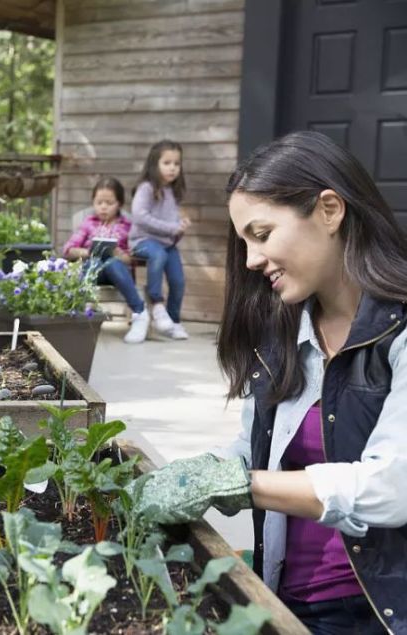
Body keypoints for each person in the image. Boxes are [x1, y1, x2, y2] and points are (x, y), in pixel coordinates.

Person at [134, 131, 407, 634]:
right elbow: (257, 448)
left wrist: (240, 484)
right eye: (244, 242)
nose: (251, 260)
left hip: (374, 614)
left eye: (261, 233)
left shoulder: (400, 334)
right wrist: (205, 471)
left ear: (329, 210)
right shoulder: (283, 329)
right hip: (279, 598)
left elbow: (392, 487)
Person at [62, 176, 148, 343]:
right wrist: (88, 252)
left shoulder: (127, 226)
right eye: (99, 202)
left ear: (119, 204)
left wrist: (118, 254)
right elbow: (68, 250)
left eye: (109, 203)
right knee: (95, 262)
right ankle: (74, 314)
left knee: (112, 263)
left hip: (118, 273)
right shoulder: (88, 223)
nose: (103, 207)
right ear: (93, 202)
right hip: (93, 271)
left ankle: (140, 314)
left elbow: (135, 257)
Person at [128, 140, 191, 340]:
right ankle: (156, 304)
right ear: (154, 165)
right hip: (142, 241)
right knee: (158, 254)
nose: (172, 168)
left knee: (178, 280)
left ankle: (173, 321)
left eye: (176, 164)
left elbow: (170, 224)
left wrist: (180, 227)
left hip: (166, 245)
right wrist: (172, 227)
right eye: (167, 163)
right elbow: (139, 216)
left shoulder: (172, 191)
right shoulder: (146, 188)